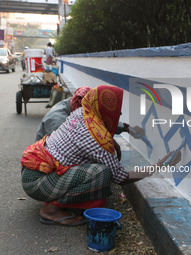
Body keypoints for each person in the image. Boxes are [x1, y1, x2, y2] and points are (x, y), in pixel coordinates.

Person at [21, 85, 181, 227]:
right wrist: (160, 165)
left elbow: (102, 126)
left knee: (100, 168)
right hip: (37, 183)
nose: (120, 112)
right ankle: (52, 210)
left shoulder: (82, 112)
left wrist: (125, 128)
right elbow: (121, 177)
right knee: (101, 172)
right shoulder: (94, 139)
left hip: (33, 171)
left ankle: (57, 201)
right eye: (117, 110)